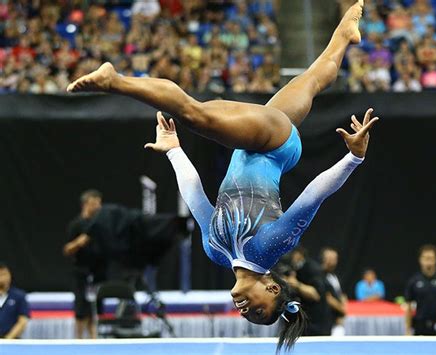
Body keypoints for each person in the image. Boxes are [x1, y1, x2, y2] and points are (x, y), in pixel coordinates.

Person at [68, 1, 376, 350]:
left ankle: (344, 33)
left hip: (262, 144)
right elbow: (312, 197)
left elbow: (196, 197)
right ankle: (116, 81)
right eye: (259, 311)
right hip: (269, 146)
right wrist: (353, 158)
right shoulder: (268, 249)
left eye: (249, 318)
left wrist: (173, 150)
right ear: (272, 287)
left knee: (315, 78)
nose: (246, 311)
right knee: (194, 115)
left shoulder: (216, 251)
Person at [63, 189, 104, 339]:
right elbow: (67, 249)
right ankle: (78, 342)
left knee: (94, 311)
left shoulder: (99, 224)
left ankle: (94, 341)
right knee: (81, 312)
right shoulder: (76, 224)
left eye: (99, 204)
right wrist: (78, 243)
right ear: (86, 204)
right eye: (94, 204)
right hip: (80, 273)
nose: (98, 207)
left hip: (97, 273)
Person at [405, 245, 436, 336]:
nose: (428, 262)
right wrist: (407, 329)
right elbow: (408, 306)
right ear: (420, 260)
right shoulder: (414, 281)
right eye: (425, 258)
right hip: (420, 326)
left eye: (431, 258)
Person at [286, 247, 332, 336]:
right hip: (302, 323)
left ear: (299, 254)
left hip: (316, 326)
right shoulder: (293, 269)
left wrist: (296, 284)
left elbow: (315, 295)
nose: (291, 257)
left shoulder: (311, 268)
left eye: (293, 254)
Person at [321, 247, 347, 335]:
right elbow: (327, 298)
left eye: (335, 259)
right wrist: (342, 310)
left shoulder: (334, 276)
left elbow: (341, 294)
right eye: (330, 258)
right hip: (326, 322)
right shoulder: (319, 276)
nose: (333, 262)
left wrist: (343, 307)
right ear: (323, 259)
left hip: (337, 322)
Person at [0, 262, 30, 339]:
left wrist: (8, 339)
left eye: (5, 274)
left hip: (11, 340)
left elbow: (22, 321)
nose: (4, 278)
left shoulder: (18, 296)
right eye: (1, 275)